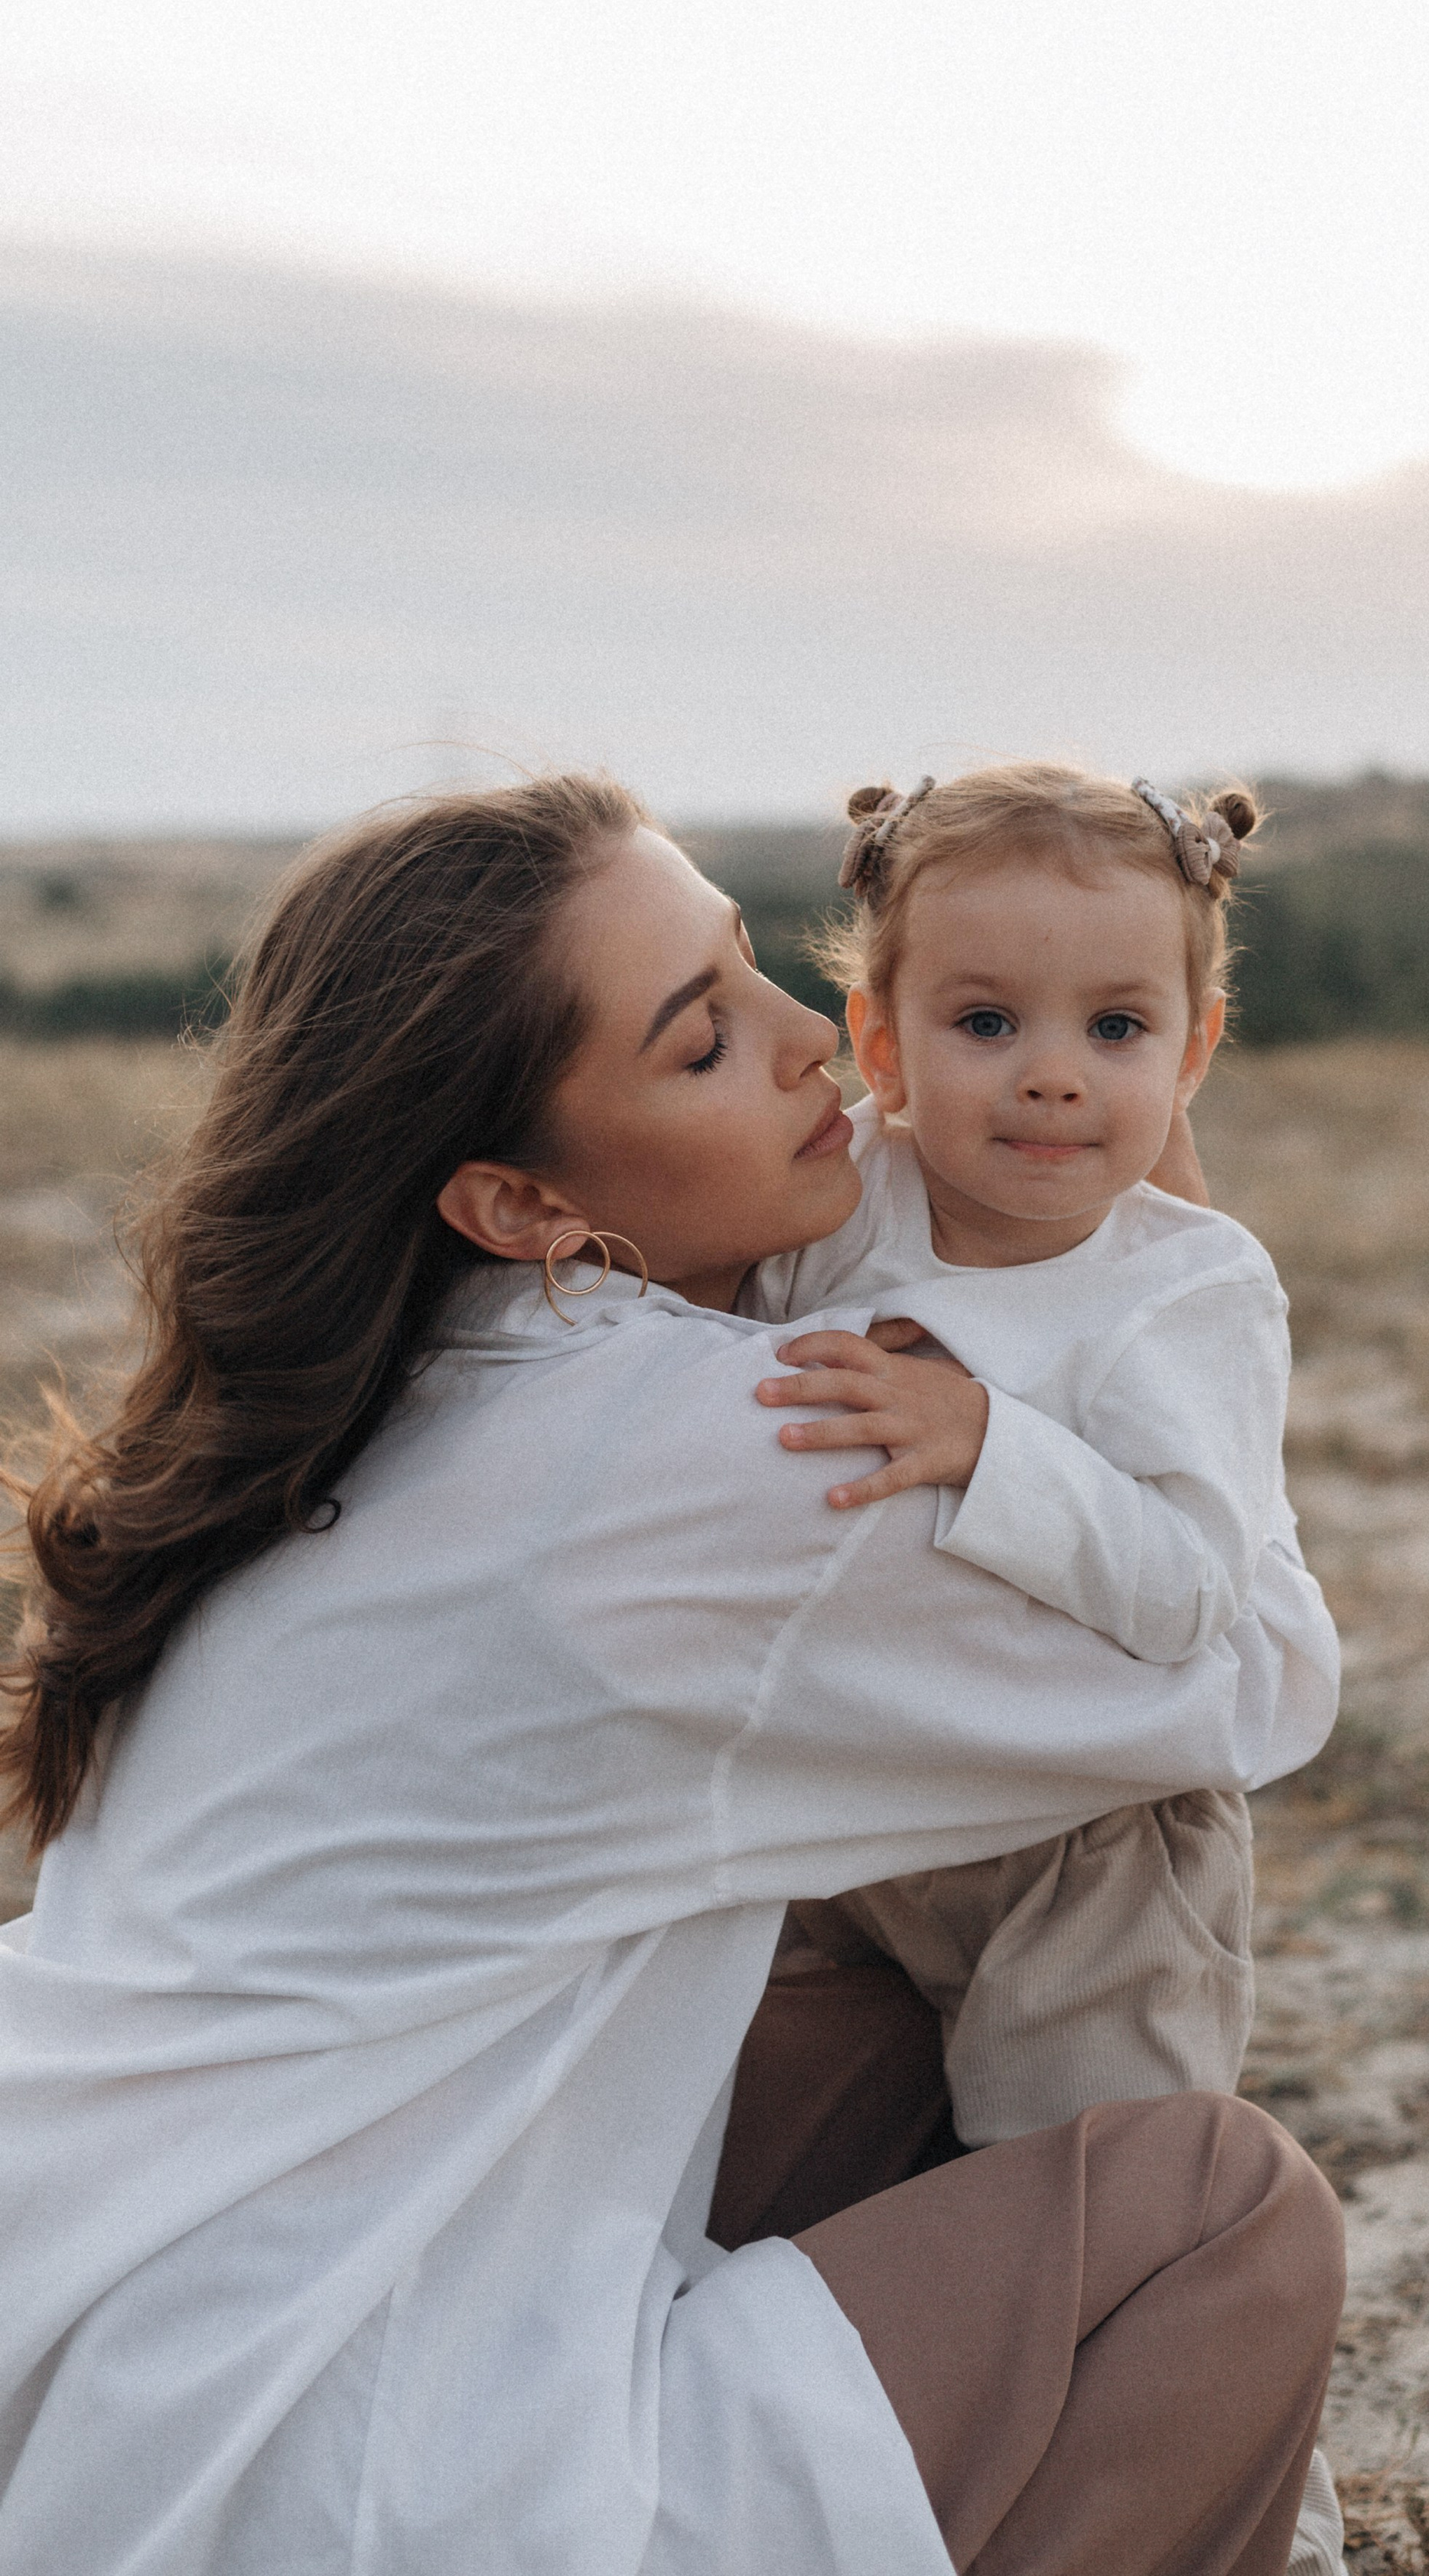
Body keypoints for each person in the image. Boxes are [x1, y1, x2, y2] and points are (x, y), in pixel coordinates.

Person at [0, 774, 1344, 2576]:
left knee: (867, 2003)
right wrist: (1156, 1240)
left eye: (754, 972)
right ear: (517, 1198)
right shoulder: (746, 1439)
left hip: (113, 2371)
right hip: (375, 2466)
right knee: (1213, 2211)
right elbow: (1240, 1691)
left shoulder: (351, 1404)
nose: (820, 1052)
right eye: (706, 1040)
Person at [739, 760, 1346, 2576]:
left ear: (1195, 1051)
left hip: (1097, 1856)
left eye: (1116, 1023)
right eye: (985, 1018)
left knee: (1111, 2207)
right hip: (857, 1833)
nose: (1053, 1071)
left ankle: (1264, 2517)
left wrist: (986, 1437)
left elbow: (1182, 1590)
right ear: (878, 1032)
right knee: (893, 2204)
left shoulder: (1188, 1291)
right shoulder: (845, 1205)